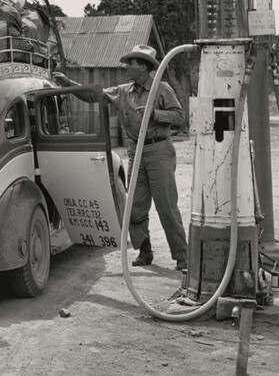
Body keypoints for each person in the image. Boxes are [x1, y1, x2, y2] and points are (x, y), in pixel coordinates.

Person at [53, 44, 188, 271]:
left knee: (166, 207)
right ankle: (145, 251)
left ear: (144, 67)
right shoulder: (124, 91)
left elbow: (180, 117)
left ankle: (182, 257)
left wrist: (153, 113)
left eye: (132, 63)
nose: (126, 67)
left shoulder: (161, 89)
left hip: (159, 151)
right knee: (135, 206)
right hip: (136, 150)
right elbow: (95, 96)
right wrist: (69, 85)